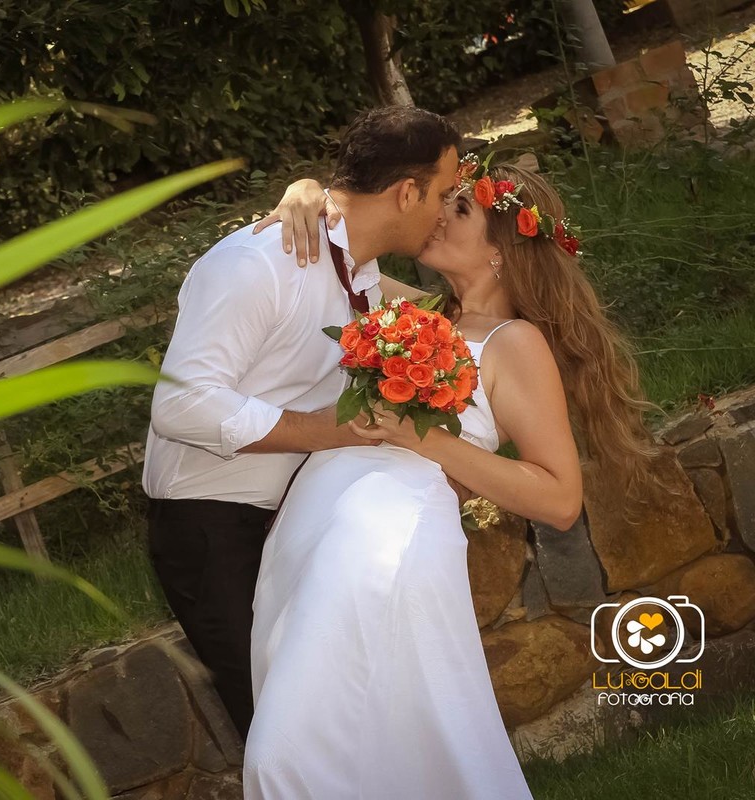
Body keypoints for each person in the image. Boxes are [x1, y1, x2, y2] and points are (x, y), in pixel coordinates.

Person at [242, 159, 659, 798]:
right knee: (369, 757)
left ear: (501, 250)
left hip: (384, 542)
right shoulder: (421, 313)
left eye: (459, 209)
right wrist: (308, 194)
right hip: (313, 535)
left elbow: (561, 498)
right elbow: (339, 255)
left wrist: (423, 439)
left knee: (287, 757)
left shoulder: (514, 343)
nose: (437, 214)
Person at [142, 106, 462, 739]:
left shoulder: (359, 271)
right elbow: (179, 404)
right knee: (278, 732)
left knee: (333, 718)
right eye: (444, 194)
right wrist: (325, 430)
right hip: (212, 532)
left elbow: (453, 315)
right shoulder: (258, 263)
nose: (446, 210)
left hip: (302, 518)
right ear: (406, 193)